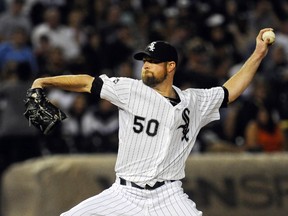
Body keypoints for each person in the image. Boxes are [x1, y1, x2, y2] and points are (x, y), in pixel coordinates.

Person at [29, 28, 273, 216]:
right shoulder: (129, 89)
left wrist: (258, 53)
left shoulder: (194, 101)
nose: (145, 65)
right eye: (144, 60)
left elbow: (229, 91)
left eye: (152, 61)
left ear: (170, 66)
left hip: (169, 195)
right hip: (123, 193)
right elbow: (85, 81)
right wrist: (44, 82)